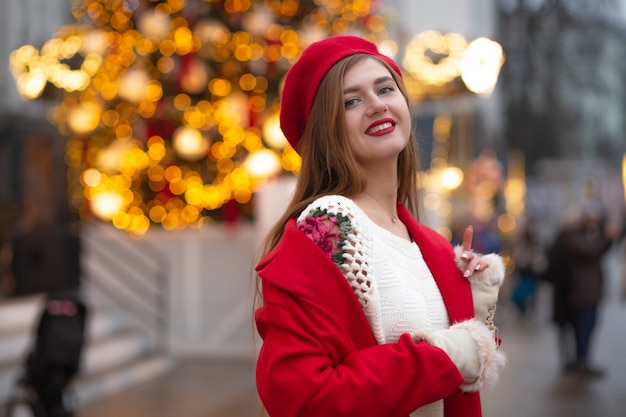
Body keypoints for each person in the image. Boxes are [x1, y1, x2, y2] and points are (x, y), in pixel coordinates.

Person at [253, 36, 506, 417]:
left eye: (385, 88)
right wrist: (449, 354)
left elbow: (472, 358)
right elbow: (304, 399)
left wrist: (479, 306)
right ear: (326, 131)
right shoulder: (330, 227)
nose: (376, 104)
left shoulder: (431, 245)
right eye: (351, 101)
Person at [546, 205, 618, 376]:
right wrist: (607, 237)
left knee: (586, 327)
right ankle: (579, 361)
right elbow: (590, 251)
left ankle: (579, 360)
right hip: (579, 293)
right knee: (582, 328)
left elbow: (597, 251)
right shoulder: (571, 237)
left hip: (585, 292)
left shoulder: (578, 236)